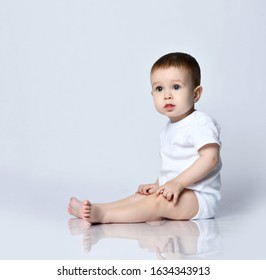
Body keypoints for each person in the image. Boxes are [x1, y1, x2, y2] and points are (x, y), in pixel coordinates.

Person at [68, 52, 222, 224]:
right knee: (140, 197)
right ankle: (100, 208)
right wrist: (159, 184)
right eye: (159, 89)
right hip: (179, 189)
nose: (167, 95)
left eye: (176, 87)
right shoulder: (169, 129)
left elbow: (210, 158)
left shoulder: (200, 123)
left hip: (199, 197)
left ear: (196, 94)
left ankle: (105, 216)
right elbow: (174, 166)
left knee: (156, 202)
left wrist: (177, 183)